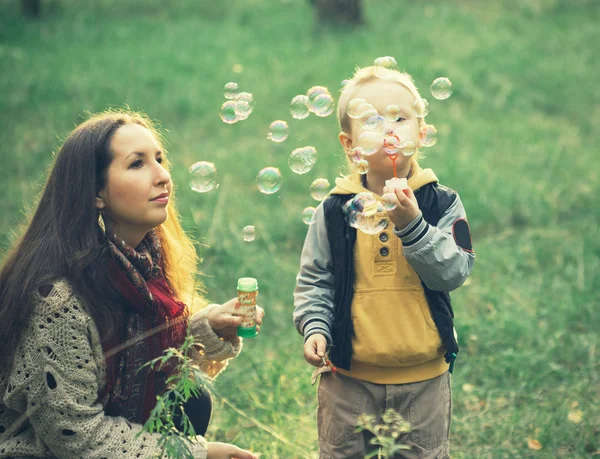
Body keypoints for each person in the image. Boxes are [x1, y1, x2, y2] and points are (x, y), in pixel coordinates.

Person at [0, 110, 262, 459]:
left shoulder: (138, 265)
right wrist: (196, 454)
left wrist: (206, 328)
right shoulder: (58, 302)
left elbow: (134, 355)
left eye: (159, 159)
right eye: (137, 164)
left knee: (192, 403)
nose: (163, 176)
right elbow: (77, 437)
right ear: (96, 193)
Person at [293, 65, 475, 458]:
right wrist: (314, 326)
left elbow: (455, 271)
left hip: (425, 379)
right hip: (347, 380)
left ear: (421, 133)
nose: (388, 128)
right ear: (349, 143)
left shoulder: (441, 203)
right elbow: (315, 279)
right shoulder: (333, 209)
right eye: (372, 121)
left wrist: (414, 227)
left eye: (399, 117)